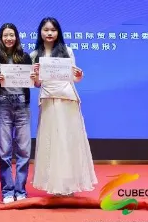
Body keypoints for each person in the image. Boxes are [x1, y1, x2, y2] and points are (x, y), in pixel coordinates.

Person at [30, 17, 98, 196]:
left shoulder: (67, 51)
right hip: (48, 100)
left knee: (68, 141)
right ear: (40, 32)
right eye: (46, 30)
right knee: (51, 142)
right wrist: (35, 76)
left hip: (67, 100)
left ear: (58, 32)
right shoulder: (34, 54)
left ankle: (70, 184)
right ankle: (55, 185)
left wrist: (79, 75)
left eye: (53, 30)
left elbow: (74, 77)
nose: (49, 33)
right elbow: (36, 84)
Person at [0, 23, 34, 204]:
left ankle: (21, 189)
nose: (9, 38)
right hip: (3, 104)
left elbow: (32, 81)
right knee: (4, 150)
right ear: (0, 38)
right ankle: (8, 190)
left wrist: (33, 77)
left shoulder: (24, 56)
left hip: (22, 104)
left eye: (12, 35)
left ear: (16, 37)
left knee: (24, 150)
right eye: (5, 35)